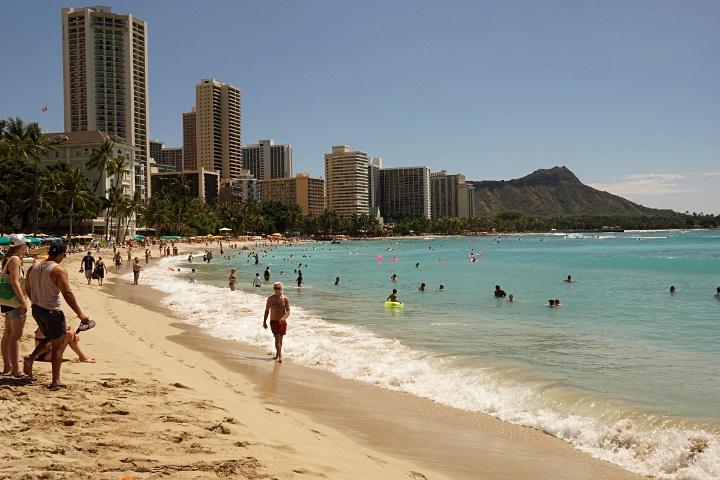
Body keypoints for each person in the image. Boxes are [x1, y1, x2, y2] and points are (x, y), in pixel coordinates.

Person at [23, 242, 92, 389]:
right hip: (52, 311)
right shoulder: (58, 270)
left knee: (51, 337)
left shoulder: (33, 267)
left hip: (37, 309)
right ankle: (56, 380)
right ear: (61, 255)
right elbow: (67, 293)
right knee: (58, 345)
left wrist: (35, 301)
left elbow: (27, 288)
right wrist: (80, 314)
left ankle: (30, 359)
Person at [1, 234, 30, 378]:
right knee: (15, 336)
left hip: (7, 300)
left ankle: (8, 366)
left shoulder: (7, 258)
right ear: (22, 246)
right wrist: (23, 301)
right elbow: (14, 281)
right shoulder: (15, 259)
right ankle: (16, 370)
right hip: (14, 301)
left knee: (7, 334)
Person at [263, 282, 290, 363]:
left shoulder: (285, 299)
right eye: (275, 288)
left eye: (278, 288)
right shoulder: (270, 299)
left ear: (281, 289)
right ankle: (280, 356)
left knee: (280, 339)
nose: (276, 290)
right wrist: (264, 322)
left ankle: (277, 354)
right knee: (277, 337)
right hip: (273, 321)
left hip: (282, 322)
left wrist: (283, 318)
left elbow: (288, 311)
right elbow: (267, 311)